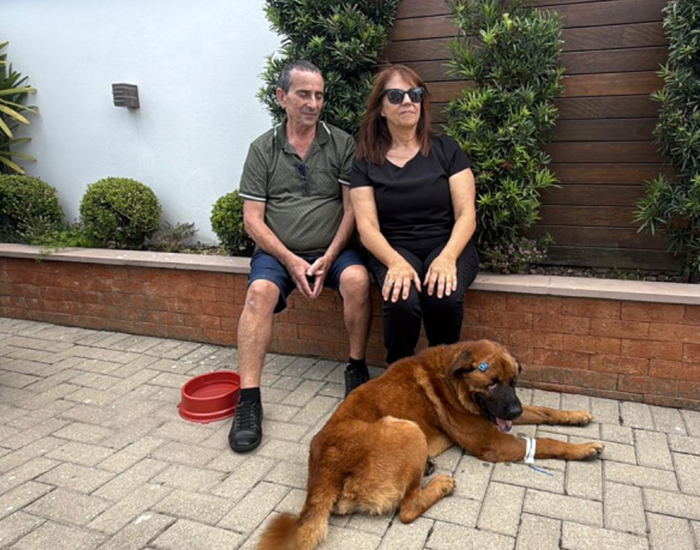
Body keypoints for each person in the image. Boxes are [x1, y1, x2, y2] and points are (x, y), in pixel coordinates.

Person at [230, 60, 372, 453]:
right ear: (282, 97)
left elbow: (352, 209)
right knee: (258, 294)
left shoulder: (341, 143)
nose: (313, 103)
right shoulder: (262, 149)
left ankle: (356, 369)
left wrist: (331, 254)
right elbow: (252, 220)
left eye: (319, 95)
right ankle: (249, 400)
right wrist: (291, 260)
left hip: (334, 248)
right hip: (278, 252)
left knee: (358, 280)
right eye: (303, 94)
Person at [350, 65, 479, 365]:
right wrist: (395, 262)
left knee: (444, 296)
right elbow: (366, 226)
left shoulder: (447, 150)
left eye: (415, 94)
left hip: (447, 244)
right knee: (401, 300)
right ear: (381, 108)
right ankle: (400, 375)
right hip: (394, 247)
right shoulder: (365, 161)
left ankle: (445, 373)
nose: (407, 101)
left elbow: (466, 214)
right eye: (396, 96)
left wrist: (447, 258)